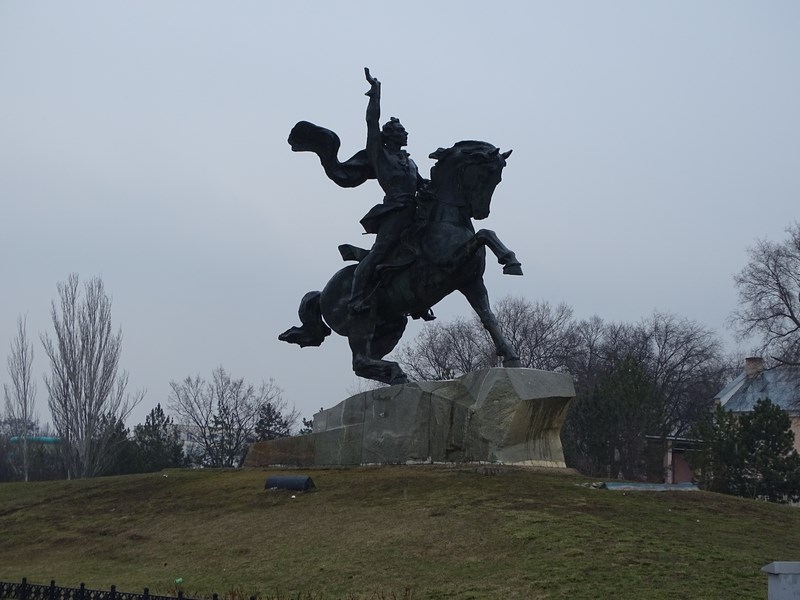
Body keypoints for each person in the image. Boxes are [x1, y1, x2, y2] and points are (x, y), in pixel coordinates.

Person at [349, 68, 426, 313]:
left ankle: (420, 297)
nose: (406, 134)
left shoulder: (410, 162)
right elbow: (372, 122)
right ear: (391, 136)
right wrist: (375, 95)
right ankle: (356, 297)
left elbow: (422, 185)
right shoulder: (380, 155)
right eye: (402, 131)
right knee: (379, 251)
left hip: (415, 212)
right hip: (394, 211)